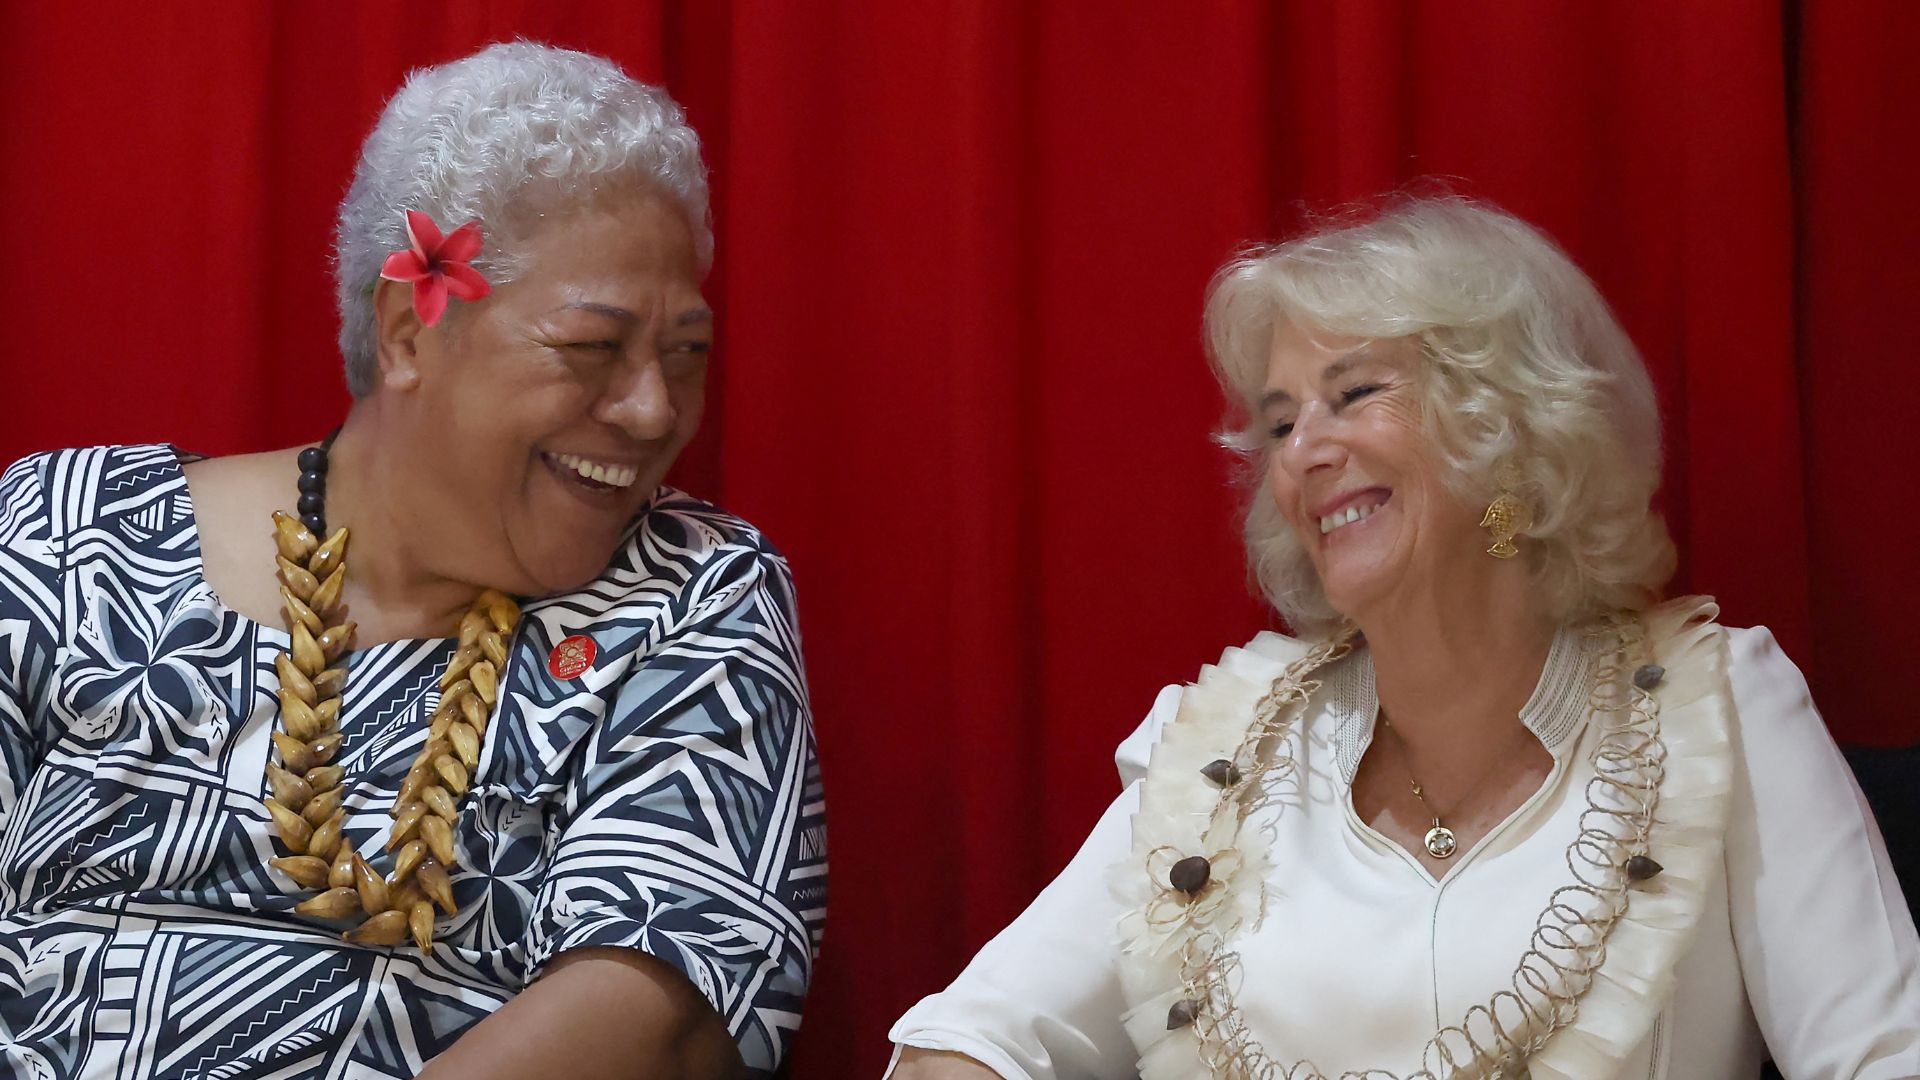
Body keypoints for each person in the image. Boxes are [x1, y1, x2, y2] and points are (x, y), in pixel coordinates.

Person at [888, 197, 1918, 1078]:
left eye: (1355, 394)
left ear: (1506, 423)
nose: (1305, 454)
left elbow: (1887, 1053)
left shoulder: (1720, 709)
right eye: (1281, 422)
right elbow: (969, 1040)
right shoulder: (1218, 755)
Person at [0, 42, 823, 1080]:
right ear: (407, 332)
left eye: (686, 352)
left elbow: (662, 1001)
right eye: (593, 347)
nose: (656, 408)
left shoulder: (694, 597)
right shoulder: (66, 535)